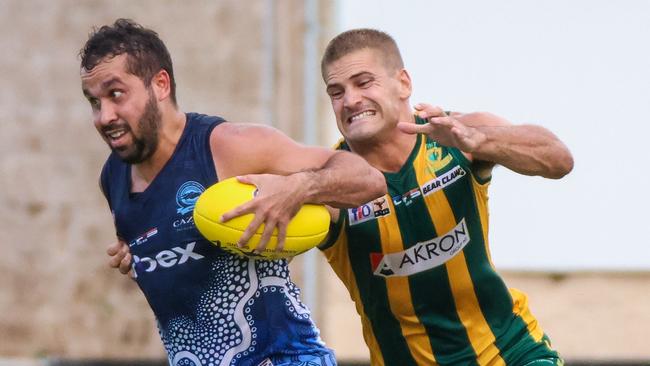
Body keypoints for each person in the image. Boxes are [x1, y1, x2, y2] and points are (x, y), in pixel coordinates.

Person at [80, 19, 386, 366]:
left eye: (115, 94)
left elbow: (367, 179)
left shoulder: (228, 146)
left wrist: (297, 187)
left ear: (160, 85)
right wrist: (135, 254)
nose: (104, 116)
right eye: (94, 101)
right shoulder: (113, 178)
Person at [318, 29, 574, 366]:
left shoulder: (455, 134)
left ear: (404, 84)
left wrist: (479, 141)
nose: (350, 100)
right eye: (336, 93)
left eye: (364, 82)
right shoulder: (327, 183)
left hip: (510, 352)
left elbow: (558, 159)